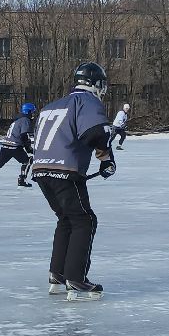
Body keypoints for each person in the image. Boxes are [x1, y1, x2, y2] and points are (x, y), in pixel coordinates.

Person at [30, 62, 115, 300]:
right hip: (65, 169)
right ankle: (76, 279)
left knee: (66, 219)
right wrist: (107, 158)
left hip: (41, 169)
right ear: (96, 84)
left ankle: (57, 274)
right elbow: (95, 133)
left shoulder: (52, 105)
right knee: (84, 220)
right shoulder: (87, 101)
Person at [0, 102, 35, 188]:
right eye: (32, 112)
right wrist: (28, 148)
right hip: (15, 146)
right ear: (28, 112)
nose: (33, 114)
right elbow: (23, 135)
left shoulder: (17, 120)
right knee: (27, 161)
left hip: (5, 145)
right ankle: (22, 180)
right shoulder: (25, 120)